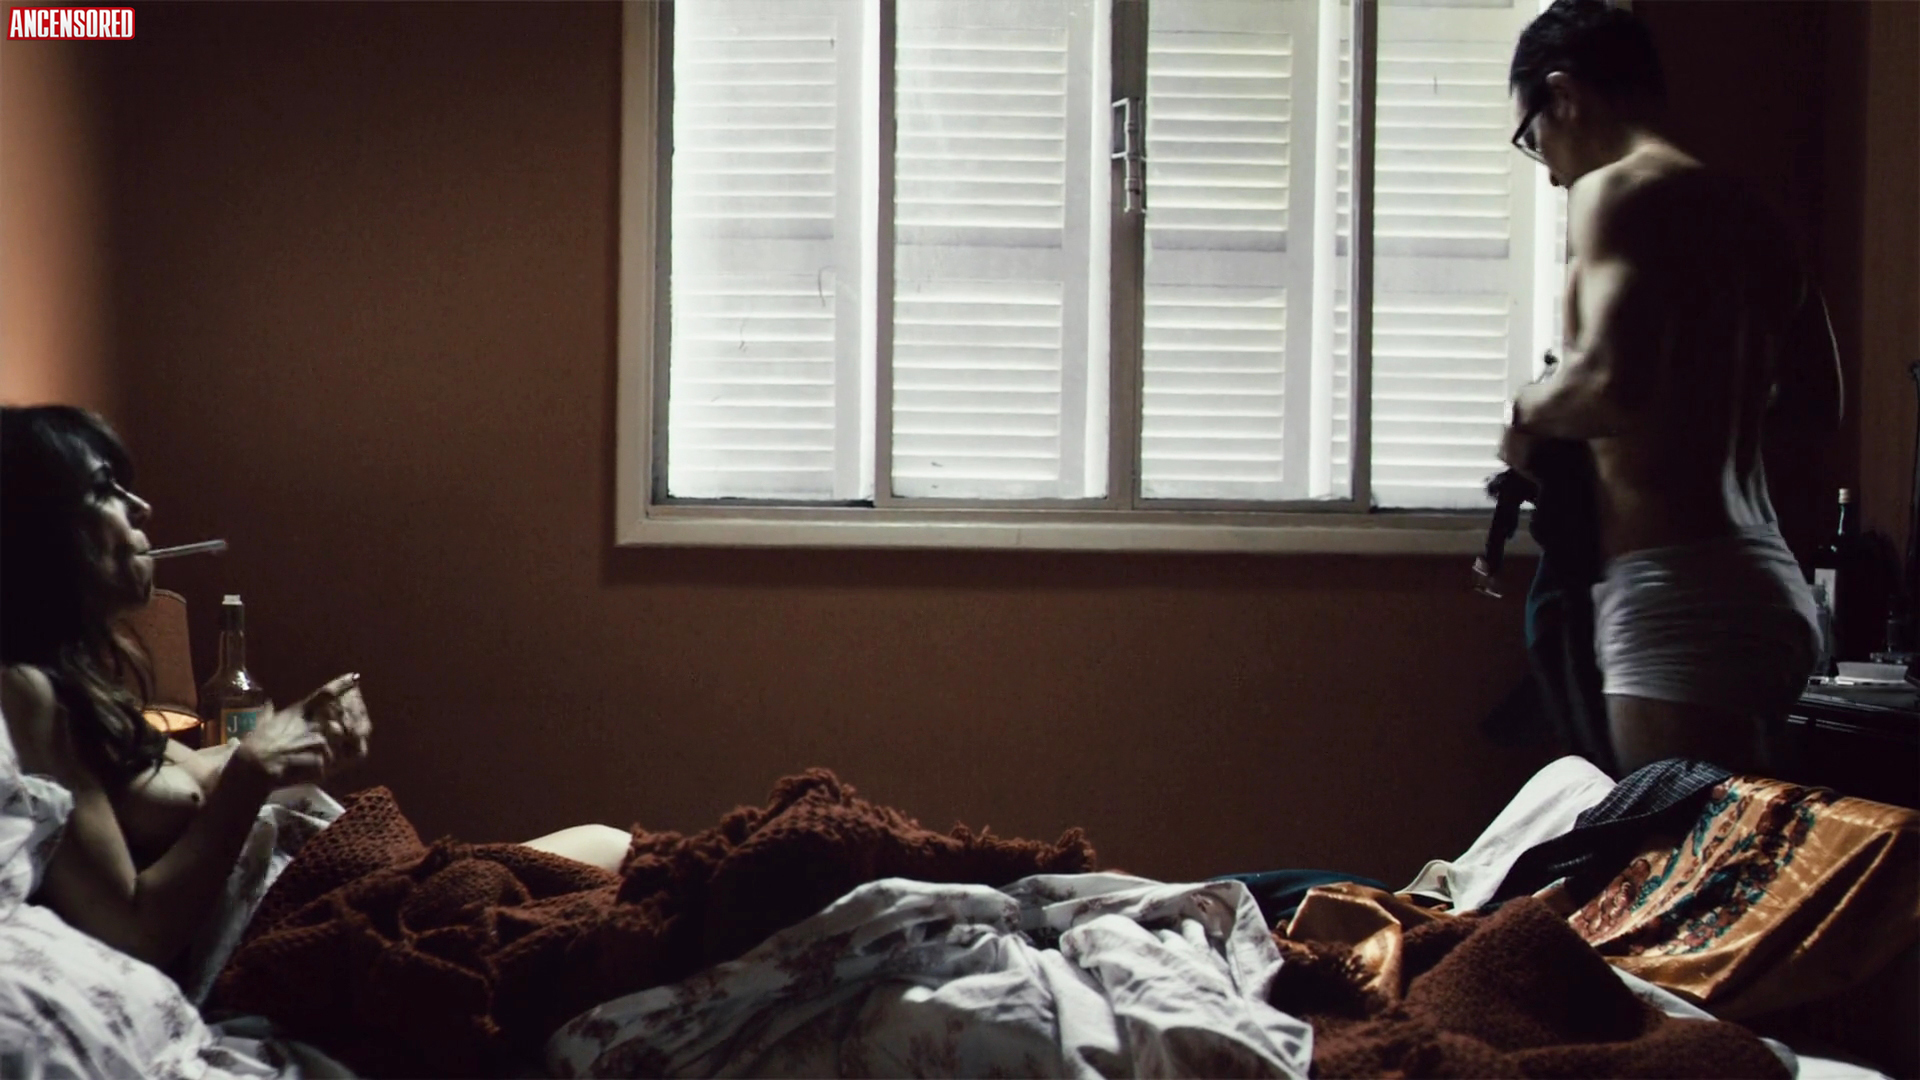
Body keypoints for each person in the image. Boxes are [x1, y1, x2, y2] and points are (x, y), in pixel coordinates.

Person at [0, 405, 627, 971]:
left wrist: (299, 734)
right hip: (308, 928)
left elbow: (196, 779)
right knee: (625, 874)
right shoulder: (26, 692)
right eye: (104, 489)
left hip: (337, 880)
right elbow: (133, 930)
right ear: (36, 532)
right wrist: (254, 768)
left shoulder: (83, 689)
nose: (140, 508)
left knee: (614, 851)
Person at [1498, 0, 1843, 776]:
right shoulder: (1757, 215)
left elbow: (1609, 385)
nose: (1548, 172)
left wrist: (1525, 411)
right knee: (1737, 837)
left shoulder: (1615, 190)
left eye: (1532, 138)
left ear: (1564, 94)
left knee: (1668, 843)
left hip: (1676, 594)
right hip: (1769, 584)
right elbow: (1819, 405)